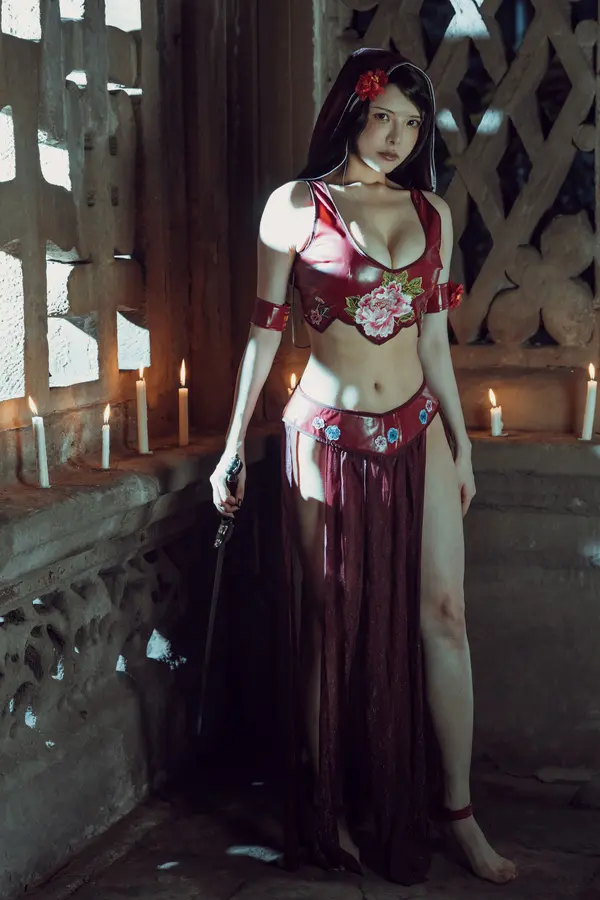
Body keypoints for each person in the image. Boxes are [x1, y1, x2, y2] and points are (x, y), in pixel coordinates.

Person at [210, 47, 517, 886]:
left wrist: (462, 445)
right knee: (327, 624)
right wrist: (234, 444)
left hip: (418, 430)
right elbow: (263, 333)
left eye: (412, 125)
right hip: (325, 436)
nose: (395, 137)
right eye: (383, 116)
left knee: (445, 615)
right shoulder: (295, 206)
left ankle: (458, 815)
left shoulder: (432, 211)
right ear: (353, 110)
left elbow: (433, 343)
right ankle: (326, 811)